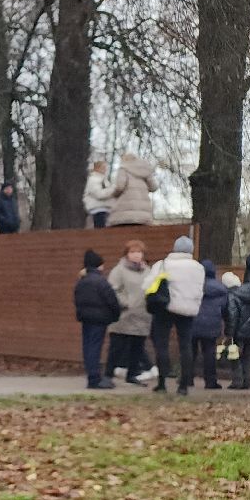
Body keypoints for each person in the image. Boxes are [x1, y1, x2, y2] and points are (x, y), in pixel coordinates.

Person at [147, 236, 206, 395]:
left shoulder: (163, 264)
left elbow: (149, 285)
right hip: (188, 310)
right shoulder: (199, 268)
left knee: (162, 345)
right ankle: (184, 386)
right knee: (186, 346)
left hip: (164, 308)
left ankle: (162, 383)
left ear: (175, 248)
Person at [74, 250, 122, 389]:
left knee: (88, 347)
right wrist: (115, 315)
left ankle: (91, 375)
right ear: (99, 266)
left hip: (86, 318)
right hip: (100, 319)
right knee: (95, 347)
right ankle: (95, 378)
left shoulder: (82, 282)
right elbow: (112, 300)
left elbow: (77, 299)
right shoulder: (101, 282)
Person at [108, 241, 153, 385]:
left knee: (137, 347)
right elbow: (113, 289)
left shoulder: (148, 271)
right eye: (132, 252)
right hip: (124, 316)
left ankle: (132, 374)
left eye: (139, 252)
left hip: (142, 315)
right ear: (127, 254)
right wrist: (125, 303)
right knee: (117, 347)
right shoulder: (119, 270)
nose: (136, 255)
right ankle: (108, 374)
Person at [193, 259, 228, 390]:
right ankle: (210, 381)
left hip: (192, 322)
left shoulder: (194, 286)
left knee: (190, 351)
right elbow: (225, 308)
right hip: (212, 324)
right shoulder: (221, 289)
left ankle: (187, 379)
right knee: (209, 353)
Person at [226, 254, 250, 390]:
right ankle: (248, 381)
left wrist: (229, 332)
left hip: (240, 330)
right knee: (248, 356)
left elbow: (232, 314)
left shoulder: (236, 293)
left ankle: (237, 381)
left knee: (235, 355)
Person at [108, 152, 158, 227]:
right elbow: (154, 187)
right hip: (143, 213)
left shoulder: (123, 168)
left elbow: (120, 187)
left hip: (125, 211)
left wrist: (113, 195)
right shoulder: (145, 170)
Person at [84, 160, 114, 228]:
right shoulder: (93, 180)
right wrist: (112, 190)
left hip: (105, 209)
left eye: (105, 167)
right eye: (103, 167)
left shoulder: (104, 180)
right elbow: (99, 194)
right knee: (99, 230)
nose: (105, 169)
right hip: (97, 210)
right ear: (97, 168)